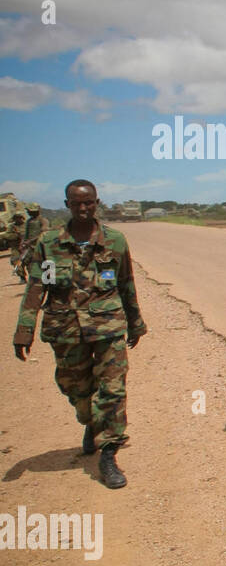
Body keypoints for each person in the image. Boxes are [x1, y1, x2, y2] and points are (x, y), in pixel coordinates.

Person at [13, 180, 147, 488]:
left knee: (113, 390)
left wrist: (135, 322)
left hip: (108, 328)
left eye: (89, 203)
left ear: (97, 203)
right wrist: (24, 330)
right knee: (76, 389)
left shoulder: (115, 241)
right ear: (67, 205)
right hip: (65, 330)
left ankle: (109, 453)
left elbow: (126, 284)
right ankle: (89, 421)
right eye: (77, 203)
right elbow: (37, 287)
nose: (84, 208)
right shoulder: (49, 243)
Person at [13, 203, 49, 282]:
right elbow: (26, 234)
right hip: (30, 247)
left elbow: (43, 233)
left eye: (29, 211)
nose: (28, 212)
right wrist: (23, 243)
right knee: (28, 262)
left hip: (41, 246)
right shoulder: (29, 221)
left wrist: (30, 241)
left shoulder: (43, 220)